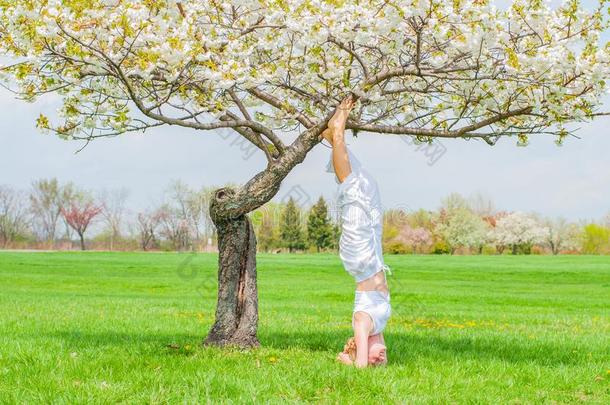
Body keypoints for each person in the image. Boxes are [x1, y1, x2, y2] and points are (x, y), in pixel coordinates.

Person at [321, 96, 391, 368]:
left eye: (376, 358)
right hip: (373, 251)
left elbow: (362, 366)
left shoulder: (362, 322)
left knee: (352, 191)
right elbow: (379, 364)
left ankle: (338, 131)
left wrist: (349, 360)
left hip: (359, 257)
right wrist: (378, 361)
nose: (381, 358)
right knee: (367, 186)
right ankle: (331, 136)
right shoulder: (379, 328)